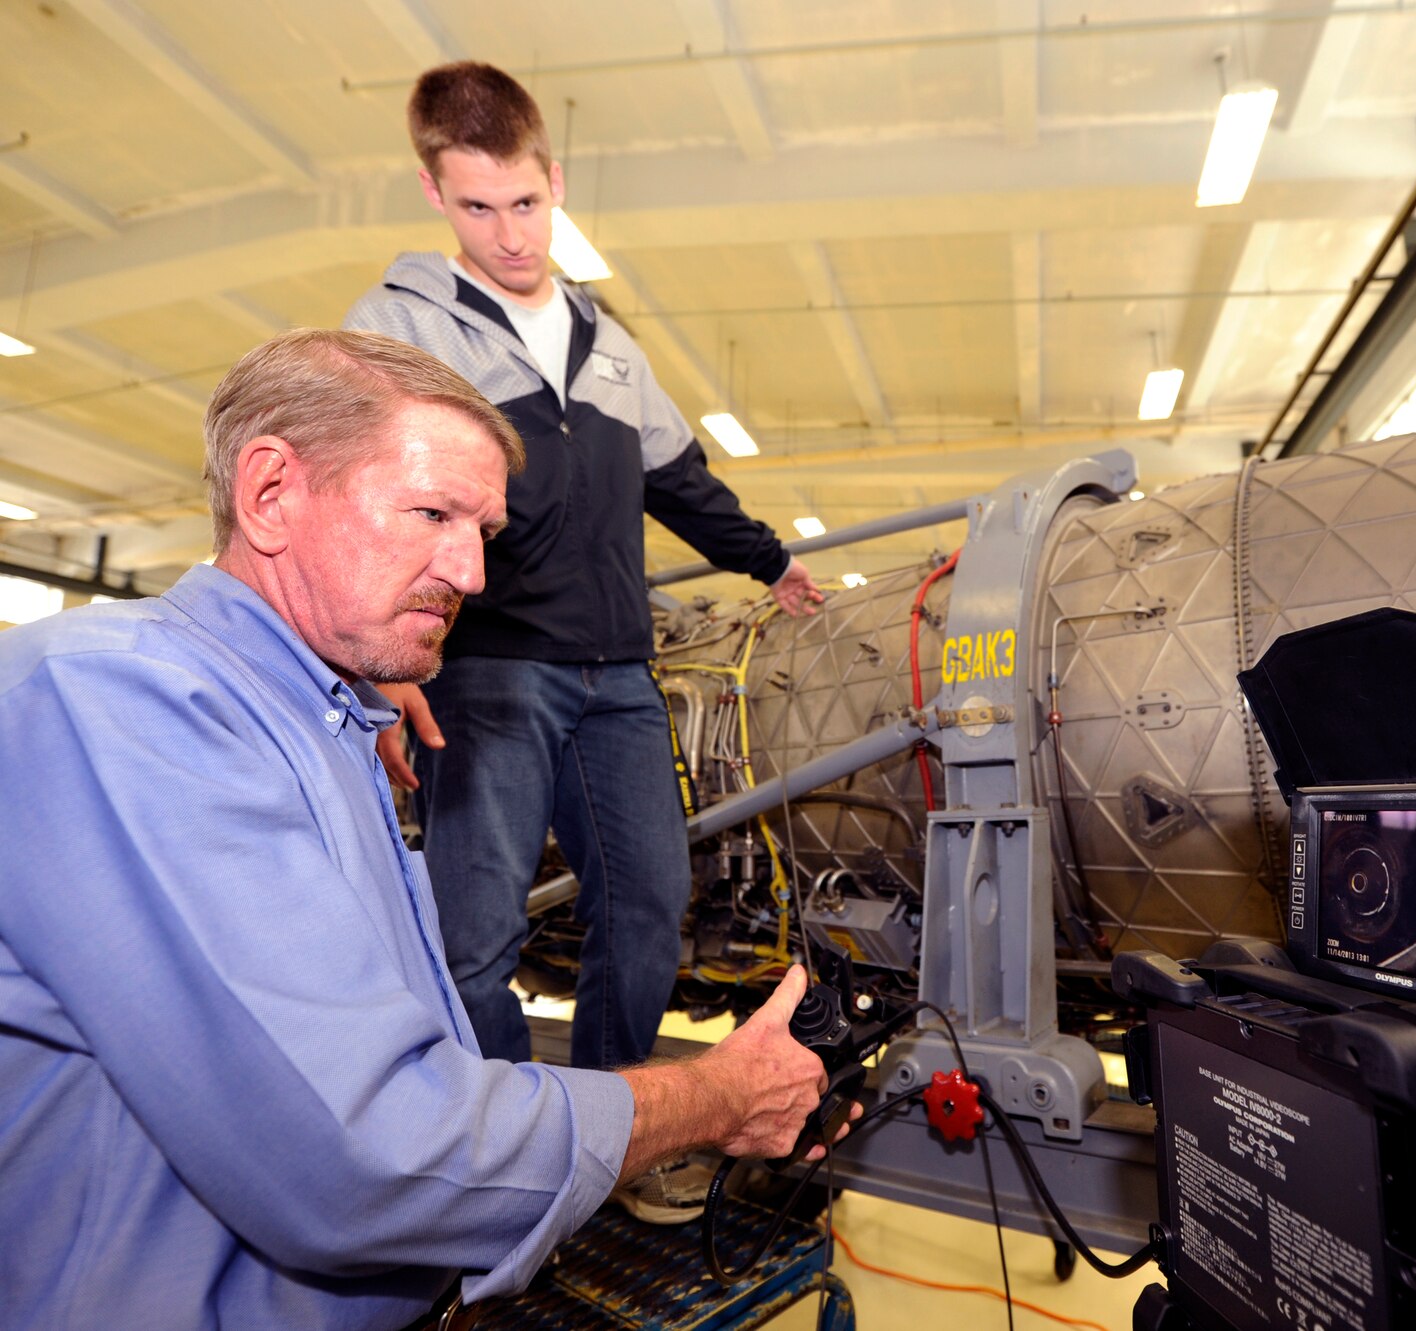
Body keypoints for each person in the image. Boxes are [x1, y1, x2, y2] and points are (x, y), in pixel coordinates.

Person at [0, 329, 837, 1330]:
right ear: (270, 494)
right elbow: (371, 1155)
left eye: (484, 529)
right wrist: (712, 1098)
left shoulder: (326, 718)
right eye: (434, 513)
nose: (473, 572)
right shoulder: (119, 699)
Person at [342, 66, 822, 1224]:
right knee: (478, 935)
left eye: (524, 202)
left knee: (649, 906)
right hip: (490, 670)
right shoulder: (396, 328)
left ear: (554, 181)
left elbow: (679, 478)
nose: (508, 234)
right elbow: (356, 501)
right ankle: (506, 1161)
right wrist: (375, 666)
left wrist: (769, 560)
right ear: (434, 194)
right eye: (477, 208)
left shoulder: (609, 342)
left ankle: (620, 1135)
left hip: (618, 675)